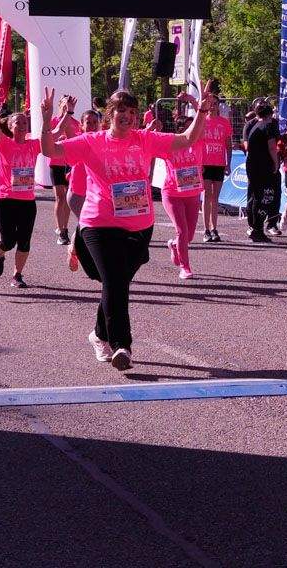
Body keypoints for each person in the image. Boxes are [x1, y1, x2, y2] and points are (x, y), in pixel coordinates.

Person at [44, 87, 207, 372]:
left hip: (139, 225)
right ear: (110, 114)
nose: (128, 117)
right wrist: (47, 120)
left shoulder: (145, 140)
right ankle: (122, 345)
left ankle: (98, 334)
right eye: (122, 111)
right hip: (99, 224)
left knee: (116, 283)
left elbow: (187, 138)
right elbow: (50, 150)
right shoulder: (91, 141)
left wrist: (202, 111)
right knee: (115, 281)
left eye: (133, 112)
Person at [0, 101, 41, 289]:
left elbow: (53, 134)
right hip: (5, 199)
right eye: (18, 123)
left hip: (27, 201)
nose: (23, 125)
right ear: (10, 126)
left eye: (25, 122)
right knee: (8, 240)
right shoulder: (4, 144)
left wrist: (67, 113)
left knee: (24, 240)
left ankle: (17, 275)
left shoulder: (34, 145)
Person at [161, 104, 206, 281]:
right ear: (181, 129)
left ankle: (174, 245)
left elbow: (203, 120)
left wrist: (197, 104)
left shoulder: (199, 142)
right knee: (182, 231)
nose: (193, 128)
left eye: (194, 124)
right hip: (172, 194)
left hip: (193, 194)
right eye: (189, 125)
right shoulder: (168, 145)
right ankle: (185, 267)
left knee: (190, 235)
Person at [243, 99, 282, 243]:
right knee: (264, 196)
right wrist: (275, 163)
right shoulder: (268, 125)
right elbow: (272, 147)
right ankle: (257, 229)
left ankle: (254, 227)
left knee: (255, 196)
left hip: (253, 165)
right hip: (262, 166)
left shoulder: (254, 125)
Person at [46, 95, 81, 245]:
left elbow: (77, 142)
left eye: (69, 105)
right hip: (55, 163)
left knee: (67, 197)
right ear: (60, 105)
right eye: (64, 105)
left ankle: (65, 228)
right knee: (60, 197)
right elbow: (48, 139)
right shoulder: (53, 121)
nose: (66, 107)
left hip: (69, 163)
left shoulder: (75, 123)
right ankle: (61, 231)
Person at [199, 83, 231, 243]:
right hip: (205, 163)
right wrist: (199, 163)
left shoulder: (224, 122)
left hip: (219, 163)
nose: (212, 106)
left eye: (215, 103)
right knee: (207, 195)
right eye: (210, 103)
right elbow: (197, 143)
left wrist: (228, 163)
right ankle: (205, 229)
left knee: (215, 197)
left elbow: (228, 144)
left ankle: (214, 228)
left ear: (219, 105)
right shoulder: (203, 121)